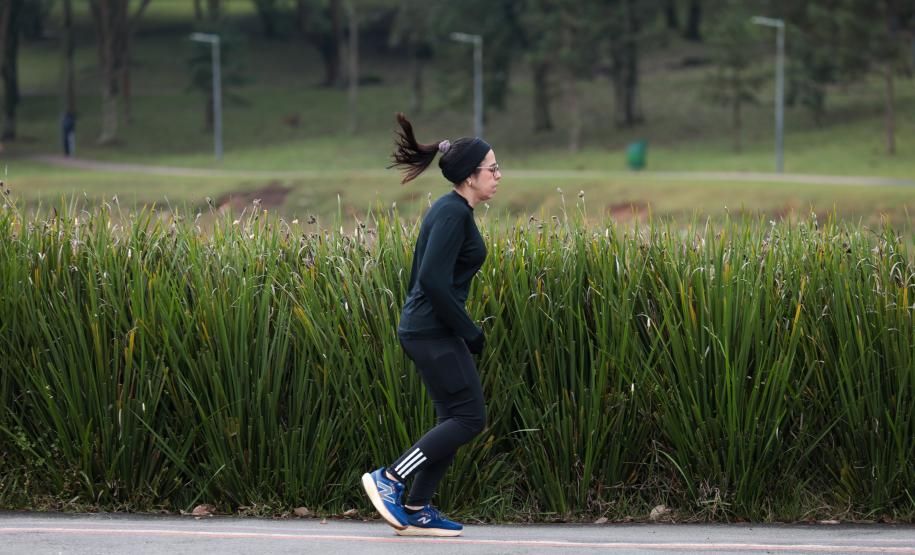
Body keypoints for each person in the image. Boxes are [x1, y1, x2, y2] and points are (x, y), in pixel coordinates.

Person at [361, 113, 501, 537]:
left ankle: (418, 508)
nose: (498, 176)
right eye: (492, 169)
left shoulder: (454, 211)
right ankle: (391, 479)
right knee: (470, 418)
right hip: (433, 331)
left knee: (452, 419)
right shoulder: (451, 214)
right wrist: (469, 330)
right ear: (469, 177)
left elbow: (423, 277)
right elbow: (432, 281)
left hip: (428, 328)